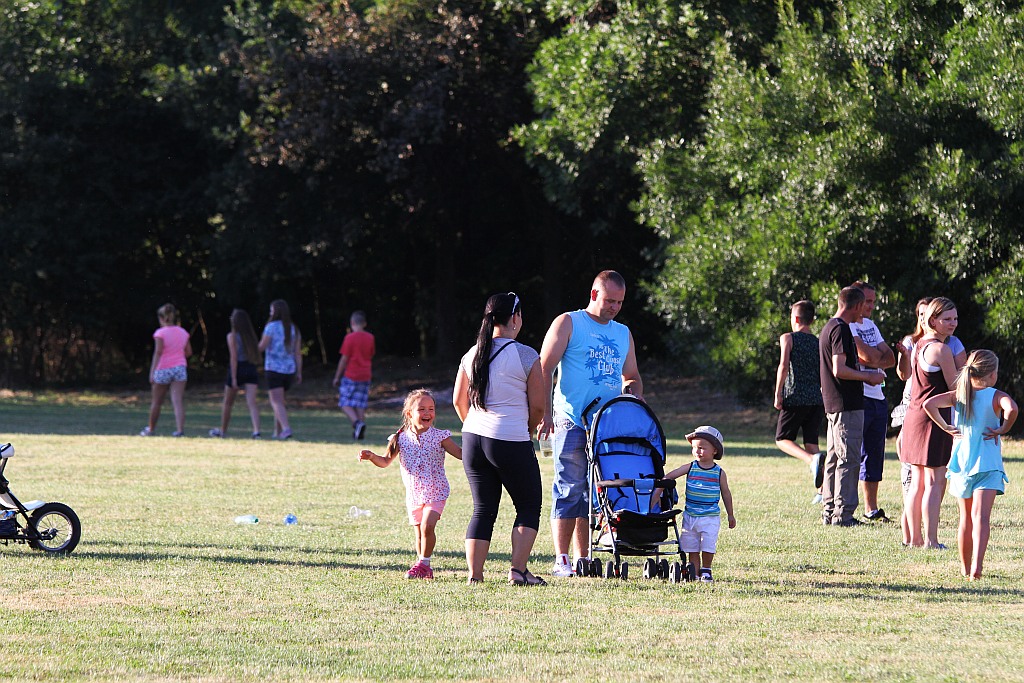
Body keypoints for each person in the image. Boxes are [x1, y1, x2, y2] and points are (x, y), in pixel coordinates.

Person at [539, 271, 643, 578]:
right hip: (571, 419)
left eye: (620, 302)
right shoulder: (569, 322)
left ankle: (582, 558)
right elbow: (544, 368)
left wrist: (633, 394)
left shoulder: (623, 333)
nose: (614, 307)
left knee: (596, 492)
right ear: (594, 294)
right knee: (569, 487)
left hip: (607, 426)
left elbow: (632, 376)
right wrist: (544, 413)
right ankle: (561, 559)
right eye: (610, 300)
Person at [454, 292, 546, 586]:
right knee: (529, 506)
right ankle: (518, 571)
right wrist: (526, 430)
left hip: (473, 437)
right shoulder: (526, 355)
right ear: (515, 318)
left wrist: (475, 426)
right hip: (510, 437)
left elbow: (458, 401)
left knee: (483, 509)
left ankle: (475, 575)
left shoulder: (472, 353)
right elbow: (539, 407)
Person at [923, 350, 1017, 579]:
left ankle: (965, 568)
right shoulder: (996, 395)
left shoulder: (960, 394)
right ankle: (977, 566)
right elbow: (1012, 409)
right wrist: (1003, 428)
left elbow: (929, 404)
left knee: (965, 518)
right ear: (992, 374)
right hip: (988, 465)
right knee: (981, 518)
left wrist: (945, 426)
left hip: (962, 465)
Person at [359, 389, 462, 580]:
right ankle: (423, 566)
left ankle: (424, 564)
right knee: (419, 533)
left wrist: (480, 448)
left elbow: (461, 454)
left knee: (427, 527)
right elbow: (385, 461)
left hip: (436, 491)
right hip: (414, 495)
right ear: (409, 413)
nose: (427, 413)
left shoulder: (440, 437)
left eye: (431, 409)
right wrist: (371, 456)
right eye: (421, 409)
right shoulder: (400, 438)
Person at [893, 296, 967, 545]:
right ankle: (931, 541)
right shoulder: (942, 350)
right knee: (934, 482)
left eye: (955, 318)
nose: (953, 323)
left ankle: (914, 539)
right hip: (933, 420)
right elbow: (956, 389)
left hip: (914, 416)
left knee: (917, 482)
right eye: (947, 319)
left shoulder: (919, 344)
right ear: (933, 320)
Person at [818, 287, 885, 526]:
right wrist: (869, 377)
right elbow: (840, 369)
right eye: (864, 305)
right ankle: (844, 514)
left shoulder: (828, 327)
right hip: (846, 404)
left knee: (834, 458)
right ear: (856, 306)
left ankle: (829, 511)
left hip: (833, 403)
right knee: (849, 459)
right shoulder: (842, 329)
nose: (865, 311)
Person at [848, 281, 896, 522]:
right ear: (856, 302)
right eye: (867, 301)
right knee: (851, 454)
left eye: (873, 302)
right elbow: (865, 355)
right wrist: (875, 357)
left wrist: (874, 358)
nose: (871, 306)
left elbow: (890, 358)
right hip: (859, 397)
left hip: (878, 397)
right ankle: (841, 505)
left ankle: (871, 508)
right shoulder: (847, 326)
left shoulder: (870, 325)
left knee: (874, 455)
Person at [663, 426, 736, 583]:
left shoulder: (719, 472)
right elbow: (671, 475)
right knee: (692, 547)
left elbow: (726, 494)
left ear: (715, 450)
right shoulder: (690, 467)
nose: (697, 451)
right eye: (694, 447)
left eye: (702, 448)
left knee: (708, 545)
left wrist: (730, 515)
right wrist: (661, 482)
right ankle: (693, 572)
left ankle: (706, 569)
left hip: (709, 517)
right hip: (690, 516)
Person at [773, 300, 826, 503]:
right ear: (811, 320)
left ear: (795, 318)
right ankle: (823, 491)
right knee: (811, 442)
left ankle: (811, 460)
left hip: (795, 396)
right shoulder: (818, 342)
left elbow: (783, 365)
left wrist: (778, 393)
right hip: (816, 399)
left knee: (782, 439)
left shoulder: (788, 338)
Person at [209, 309, 263, 439]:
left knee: (228, 403)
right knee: (252, 403)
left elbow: (233, 358)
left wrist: (233, 378)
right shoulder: (251, 337)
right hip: (250, 368)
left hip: (238, 368)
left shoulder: (231, 336)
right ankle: (256, 431)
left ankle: (223, 431)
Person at [140, 303, 192, 437]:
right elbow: (188, 352)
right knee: (177, 401)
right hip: (179, 368)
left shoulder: (160, 333)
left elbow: (158, 352)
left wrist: (152, 372)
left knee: (157, 402)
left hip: (163, 368)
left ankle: (151, 429)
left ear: (161, 318)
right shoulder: (183, 332)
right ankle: (180, 430)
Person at [258, 299, 302, 440]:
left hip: (274, 369)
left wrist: (250, 349)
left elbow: (262, 347)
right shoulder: (294, 328)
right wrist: (299, 372)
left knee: (276, 402)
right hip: (289, 370)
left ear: (275, 312)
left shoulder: (271, 327)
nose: (270, 313)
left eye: (271, 310)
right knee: (280, 402)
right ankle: (277, 432)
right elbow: (298, 353)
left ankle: (286, 429)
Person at [332, 311, 376, 441]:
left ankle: (357, 424)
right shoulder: (370, 337)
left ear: (352, 323)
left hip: (351, 374)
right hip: (365, 374)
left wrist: (337, 376)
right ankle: (359, 433)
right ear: (365, 324)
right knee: (360, 404)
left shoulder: (349, 338)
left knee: (344, 402)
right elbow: (371, 354)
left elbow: (344, 359)